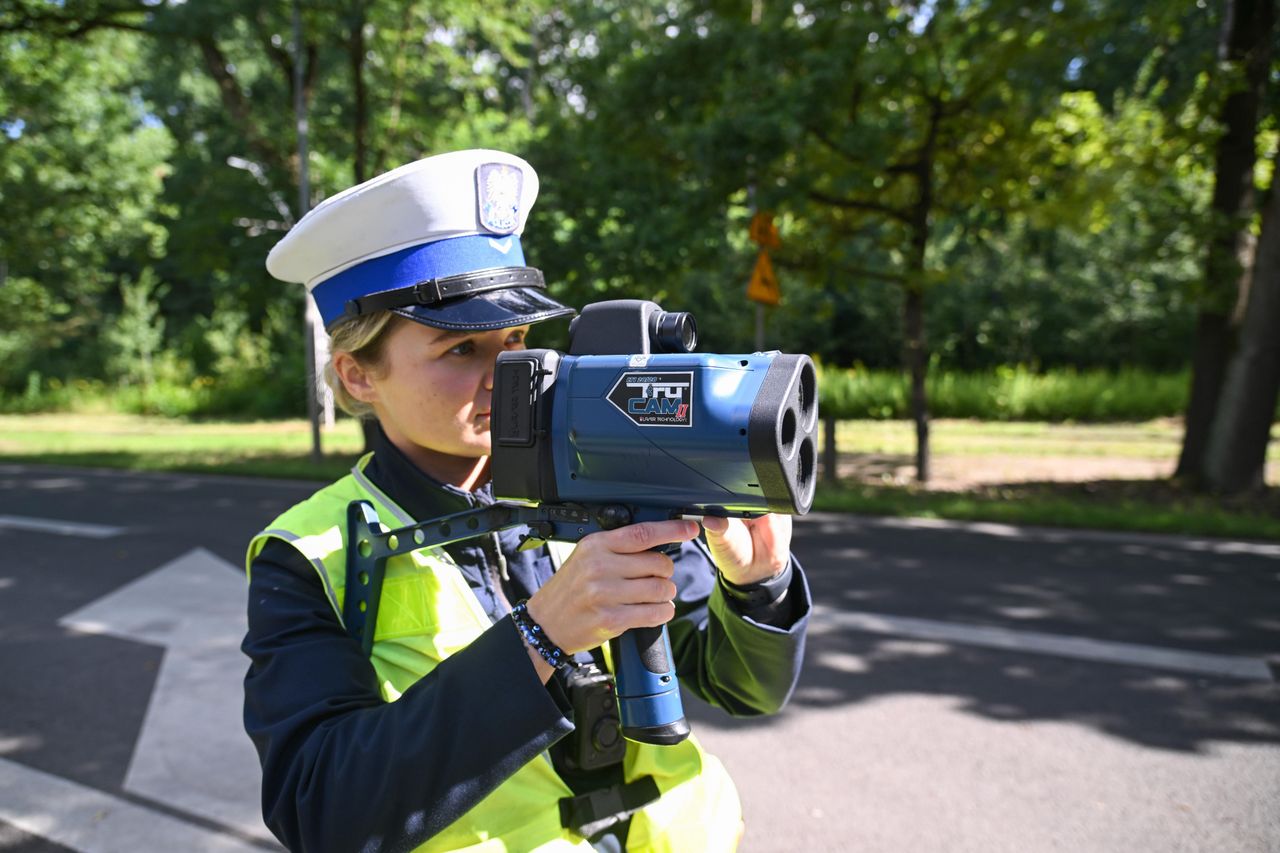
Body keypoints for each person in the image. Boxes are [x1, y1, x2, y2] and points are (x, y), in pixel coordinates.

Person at [242, 149, 811, 853]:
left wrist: (759, 588)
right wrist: (538, 637)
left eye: (514, 339)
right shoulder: (310, 553)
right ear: (358, 377)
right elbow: (321, 808)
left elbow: (744, 690)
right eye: (460, 350)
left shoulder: (601, 468)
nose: (507, 372)